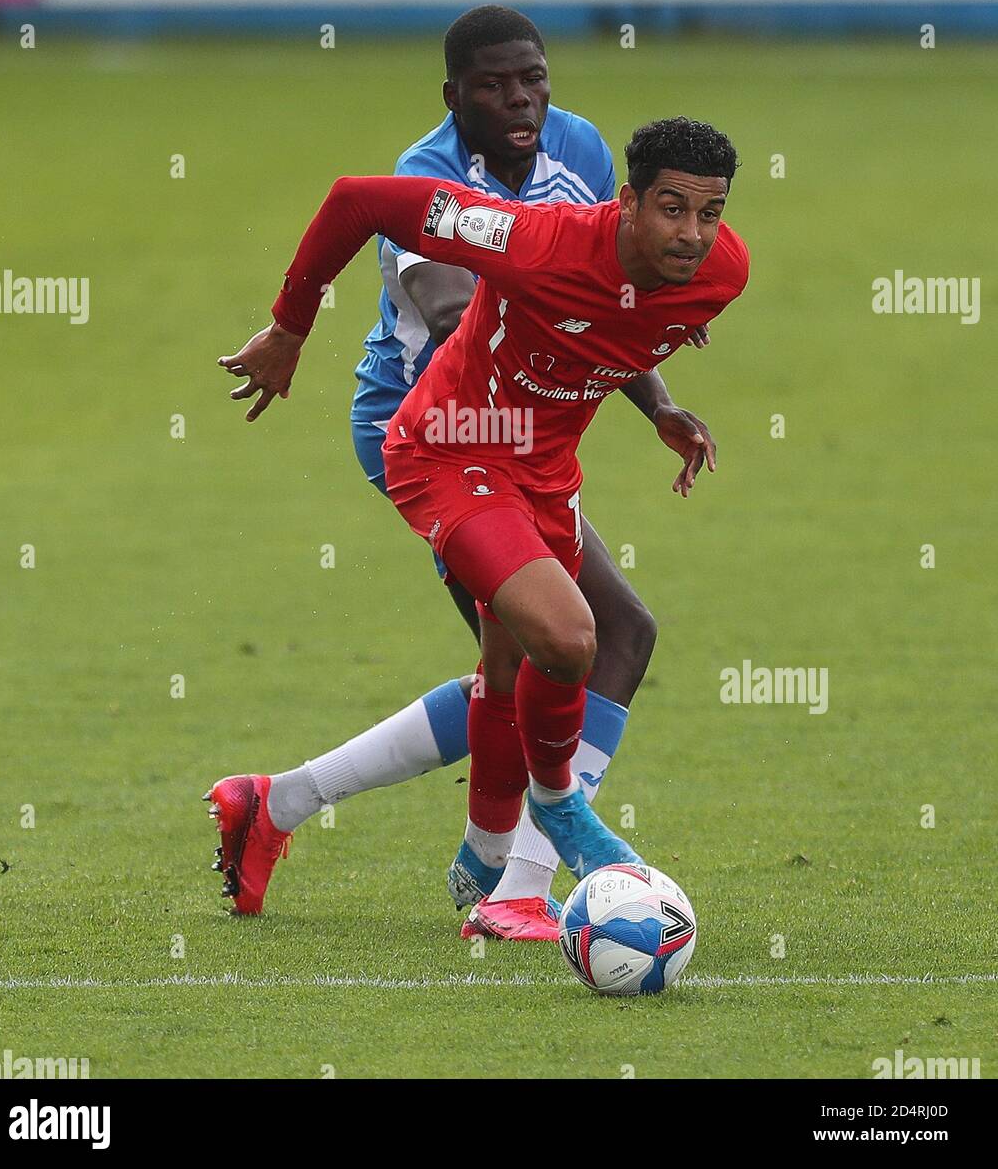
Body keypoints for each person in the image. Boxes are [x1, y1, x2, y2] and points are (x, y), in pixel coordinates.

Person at [206, 116, 749, 935]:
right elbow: (356, 201)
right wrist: (289, 327)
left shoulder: (720, 272)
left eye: (708, 214)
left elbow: (613, 318)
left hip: (546, 474)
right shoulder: (529, 238)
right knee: (572, 638)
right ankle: (554, 817)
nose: (692, 234)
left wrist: (661, 408)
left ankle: (297, 812)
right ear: (628, 201)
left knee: (507, 677)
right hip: (447, 452)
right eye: (671, 209)